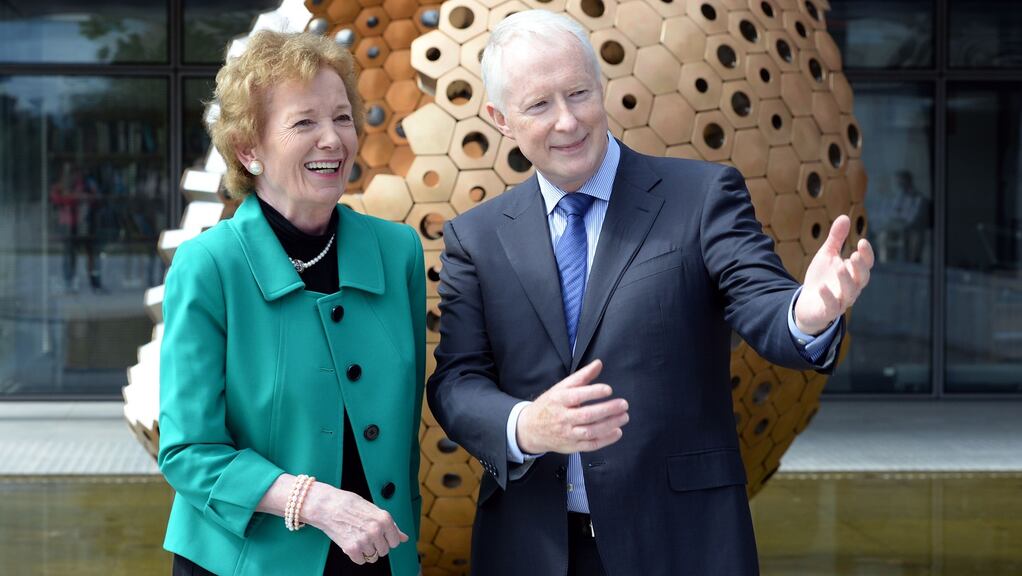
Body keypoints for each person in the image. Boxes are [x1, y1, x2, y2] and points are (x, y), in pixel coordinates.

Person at [426, 10, 874, 576]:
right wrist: (525, 426)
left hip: (681, 542)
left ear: (602, 86)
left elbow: (762, 301)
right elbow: (457, 381)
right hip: (531, 547)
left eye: (579, 94)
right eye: (540, 105)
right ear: (501, 119)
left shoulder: (702, 195)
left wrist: (807, 313)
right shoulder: (477, 236)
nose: (568, 121)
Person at [158, 31, 425, 576]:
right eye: (304, 123)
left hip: (378, 557)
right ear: (248, 150)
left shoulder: (398, 252)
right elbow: (187, 452)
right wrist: (317, 502)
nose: (333, 139)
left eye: (342, 117)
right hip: (244, 561)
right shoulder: (208, 265)